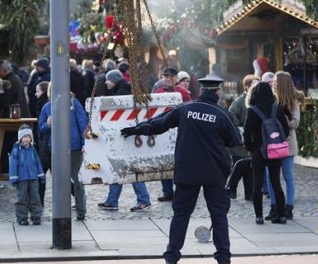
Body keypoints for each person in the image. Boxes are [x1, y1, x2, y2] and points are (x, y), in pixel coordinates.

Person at [120, 74, 241, 264]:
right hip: (214, 172)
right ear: (217, 91)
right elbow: (235, 140)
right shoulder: (222, 114)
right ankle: (223, 258)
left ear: (200, 90)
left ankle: (172, 257)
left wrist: (136, 129)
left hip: (187, 171)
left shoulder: (185, 109)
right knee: (218, 216)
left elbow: (159, 124)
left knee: (181, 215)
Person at [97, 70, 153, 212]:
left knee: (129, 167)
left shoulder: (121, 92)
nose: (105, 82)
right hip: (125, 137)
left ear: (114, 80)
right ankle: (113, 200)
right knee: (120, 168)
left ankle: (142, 199)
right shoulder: (121, 90)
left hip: (126, 137)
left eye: (108, 80)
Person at [38, 83, 89, 220]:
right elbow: (41, 129)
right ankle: (62, 212)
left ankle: (81, 210)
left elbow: (83, 123)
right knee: (60, 182)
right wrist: (48, 125)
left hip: (74, 147)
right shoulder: (47, 107)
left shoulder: (73, 103)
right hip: (56, 149)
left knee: (78, 180)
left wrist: (85, 143)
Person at [243, 81, 289, 225]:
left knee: (257, 184)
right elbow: (285, 130)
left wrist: (250, 147)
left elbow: (246, 132)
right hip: (275, 150)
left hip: (259, 151)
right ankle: (281, 215)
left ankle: (259, 216)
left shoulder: (252, 111)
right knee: (276, 183)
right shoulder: (278, 109)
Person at [265, 71, 304, 220]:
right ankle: (274, 207)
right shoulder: (271, 100)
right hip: (273, 143)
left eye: (275, 81)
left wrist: (279, 121)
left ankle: (289, 206)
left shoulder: (292, 101)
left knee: (288, 176)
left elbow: (295, 123)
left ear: (281, 83)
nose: (273, 83)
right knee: (271, 177)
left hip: (287, 144)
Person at [152, 67, 191, 202]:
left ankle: (181, 192)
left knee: (180, 162)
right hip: (163, 130)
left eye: (171, 77)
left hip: (179, 130)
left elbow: (188, 110)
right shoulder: (158, 92)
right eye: (166, 76)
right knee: (164, 161)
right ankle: (167, 191)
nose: (168, 79)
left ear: (175, 78)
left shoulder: (183, 93)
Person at [226, 74, 258, 201]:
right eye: (255, 85)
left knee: (250, 167)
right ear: (247, 86)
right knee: (240, 165)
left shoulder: (255, 101)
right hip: (240, 141)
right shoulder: (238, 102)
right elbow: (232, 118)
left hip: (252, 141)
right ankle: (231, 187)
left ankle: (249, 193)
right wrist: (244, 129)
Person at [9, 125, 45, 225]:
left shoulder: (33, 150)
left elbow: (37, 163)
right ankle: (22, 218)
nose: (26, 139)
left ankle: (36, 216)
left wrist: (41, 175)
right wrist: (13, 177)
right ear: (20, 138)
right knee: (21, 198)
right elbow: (13, 164)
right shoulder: (16, 150)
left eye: (28, 137)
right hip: (21, 178)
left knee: (35, 197)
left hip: (33, 177)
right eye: (24, 137)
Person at [34, 81, 51, 205]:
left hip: (47, 145)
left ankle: (39, 202)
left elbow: (42, 128)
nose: (35, 94)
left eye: (38, 91)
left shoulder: (46, 105)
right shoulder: (44, 104)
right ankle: (39, 202)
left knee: (41, 175)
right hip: (45, 145)